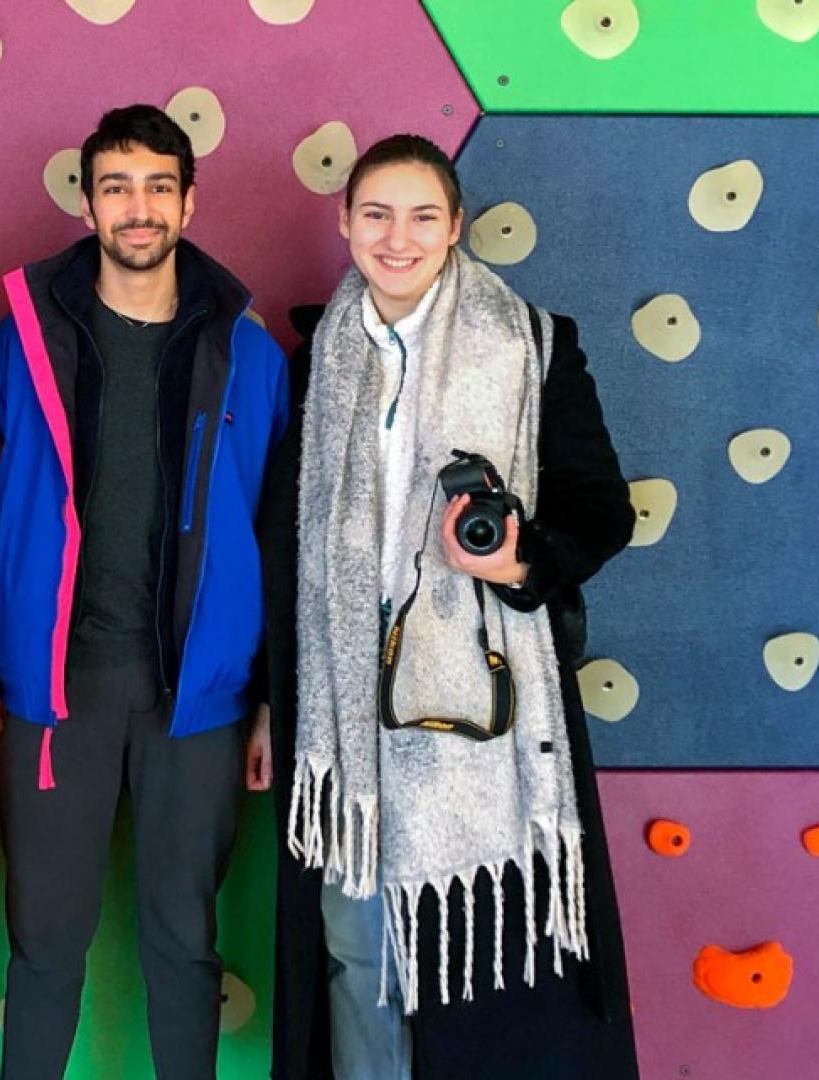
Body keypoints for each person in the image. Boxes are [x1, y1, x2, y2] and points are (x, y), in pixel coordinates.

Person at [265, 134, 640, 1079]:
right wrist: (275, 699)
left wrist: (520, 564)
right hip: (345, 717)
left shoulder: (534, 346)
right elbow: (281, 545)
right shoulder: (311, 368)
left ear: (456, 226)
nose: (399, 238)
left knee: (488, 970)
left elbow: (604, 513)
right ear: (345, 223)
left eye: (423, 215)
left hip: (495, 715)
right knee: (358, 950)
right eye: (377, 214)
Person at [0, 104, 289, 1079]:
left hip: (199, 695)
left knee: (182, 945)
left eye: (159, 185)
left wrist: (271, 700)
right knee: (44, 949)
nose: (138, 206)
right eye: (116, 186)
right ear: (87, 201)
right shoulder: (21, 341)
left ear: (190, 201)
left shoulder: (253, 355)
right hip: (52, 691)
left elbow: (278, 534)